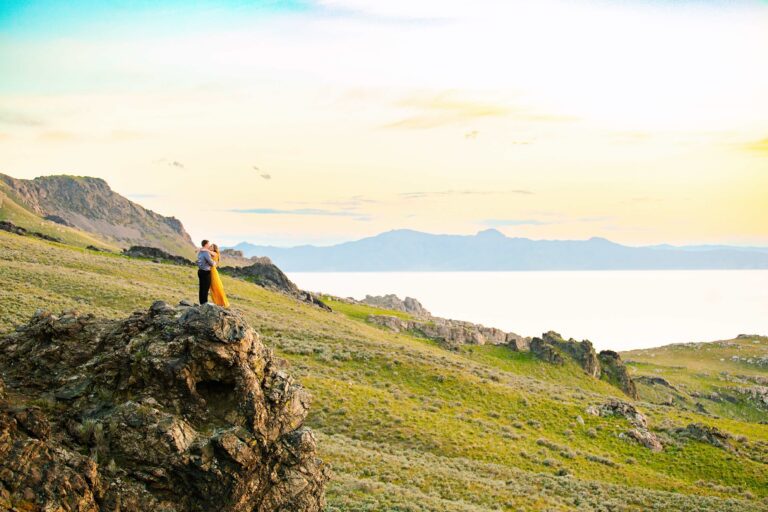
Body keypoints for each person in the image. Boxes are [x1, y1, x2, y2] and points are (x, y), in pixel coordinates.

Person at [197, 239, 216, 304]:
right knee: (206, 287)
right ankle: (205, 303)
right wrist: (215, 263)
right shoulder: (206, 253)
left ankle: (201, 302)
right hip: (205, 272)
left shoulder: (200, 251)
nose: (209, 245)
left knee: (201, 287)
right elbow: (211, 263)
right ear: (206, 244)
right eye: (208, 244)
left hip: (200, 271)